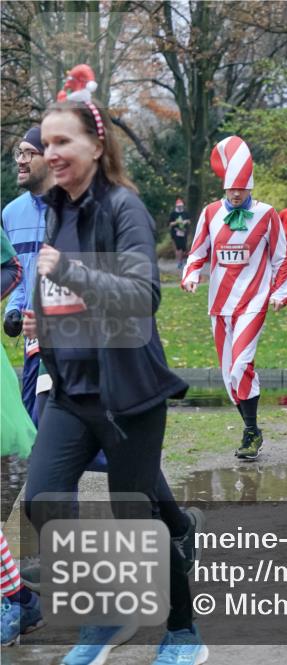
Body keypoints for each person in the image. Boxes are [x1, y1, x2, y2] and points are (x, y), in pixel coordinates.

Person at [23, 99, 205, 663]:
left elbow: (142, 296)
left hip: (128, 395)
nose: (50, 154)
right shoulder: (58, 210)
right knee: (44, 500)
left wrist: (70, 274)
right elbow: (59, 290)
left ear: (97, 148)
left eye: (62, 142)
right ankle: (103, 618)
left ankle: (182, 633)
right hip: (70, 391)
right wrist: (31, 314)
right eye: (45, 143)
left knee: (138, 520)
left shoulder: (125, 207)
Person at [183, 135, 287, 460]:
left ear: (250, 188)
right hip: (219, 305)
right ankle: (253, 429)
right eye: (231, 188)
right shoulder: (210, 213)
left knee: (242, 365)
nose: (235, 193)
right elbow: (197, 252)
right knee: (230, 376)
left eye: (241, 189)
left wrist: (279, 292)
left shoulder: (267, 214)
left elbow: (282, 257)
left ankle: (249, 432)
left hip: (253, 302)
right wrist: (190, 276)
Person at [3, 126, 52, 424]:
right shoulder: (10, 213)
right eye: (18, 153)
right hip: (33, 336)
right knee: (32, 424)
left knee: (50, 425)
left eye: (29, 153)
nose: (20, 160)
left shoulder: (73, 209)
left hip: (69, 334)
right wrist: (13, 310)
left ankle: (135, 467)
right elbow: (19, 270)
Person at [167, 198, 190, 269]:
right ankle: (179, 262)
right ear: (176, 206)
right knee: (178, 247)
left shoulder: (185, 213)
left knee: (184, 248)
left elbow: (189, 221)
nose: (180, 207)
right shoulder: (173, 213)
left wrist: (185, 221)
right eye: (179, 206)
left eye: (181, 206)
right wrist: (176, 222)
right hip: (175, 232)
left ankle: (182, 260)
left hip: (184, 232)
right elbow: (170, 223)